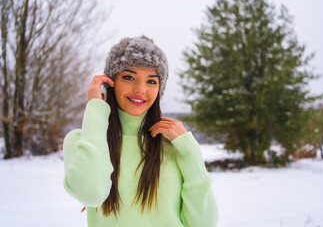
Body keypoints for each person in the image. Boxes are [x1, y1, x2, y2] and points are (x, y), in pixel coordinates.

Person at [62, 35, 218, 227]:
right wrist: (96, 109)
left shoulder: (173, 146)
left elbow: (203, 224)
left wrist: (191, 152)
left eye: (151, 81)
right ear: (110, 83)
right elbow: (92, 193)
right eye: (128, 77)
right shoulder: (83, 141)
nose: (140, 89)